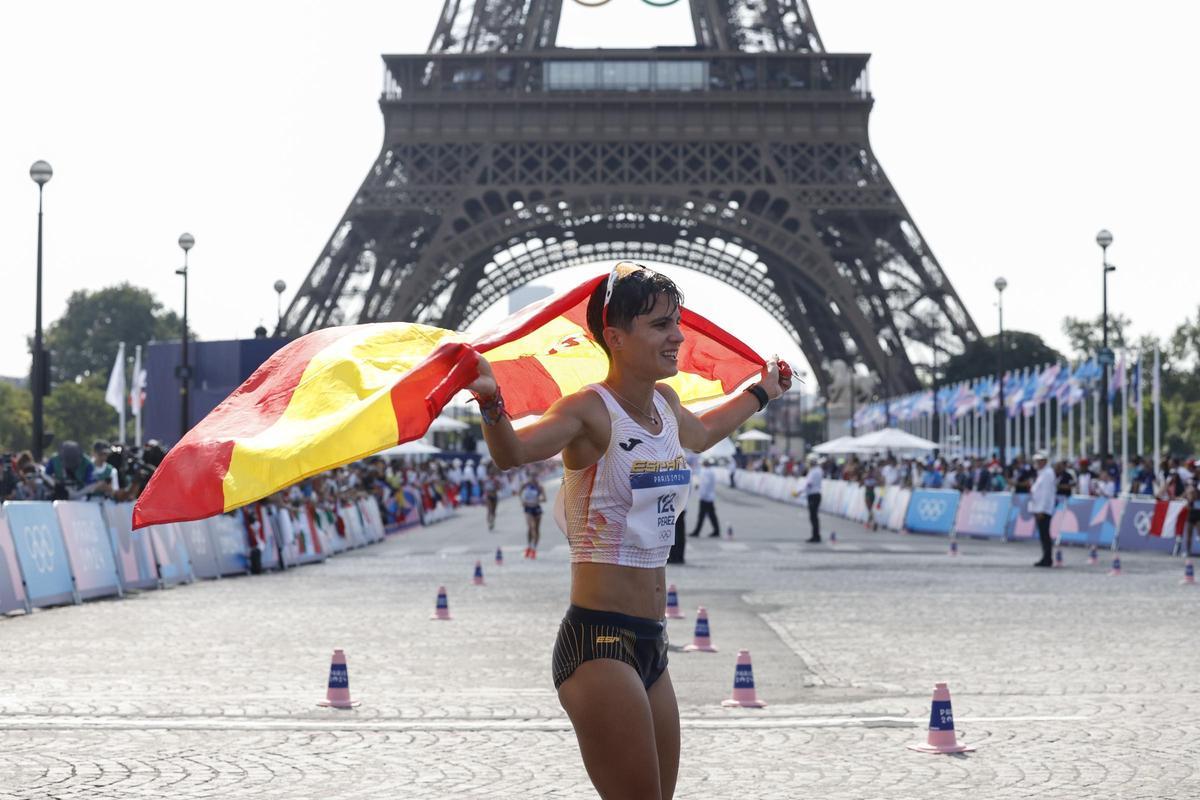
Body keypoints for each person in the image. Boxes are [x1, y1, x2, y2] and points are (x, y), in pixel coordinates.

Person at [466, 263, 789, 800]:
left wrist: (763, 393)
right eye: (662, 325)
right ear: (615, 337)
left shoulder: (665, 404)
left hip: (653, 641)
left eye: (677, 322)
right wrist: (491, 402)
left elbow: (705, 432)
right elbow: (514, 453)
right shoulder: (589, 410)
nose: (679, 337)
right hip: (599, 642)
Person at [1029, 452, 1057, 567]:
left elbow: (1046, 494)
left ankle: (1047, 558)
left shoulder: (1047, 474)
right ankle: (1045, 557)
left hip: (1044, 509)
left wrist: (1041, 510)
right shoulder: (1042, 473)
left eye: (1040, 461)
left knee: (1045, 534)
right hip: (1039, 508)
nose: (1037, 463)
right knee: (1043, 534)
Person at [688, 458, 720, 537]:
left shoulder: (705, 472)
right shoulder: (711, 471)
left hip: (705, 497)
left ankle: (697, 531)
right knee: (712, 515)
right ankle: (716, 530)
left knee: (701, 516)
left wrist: (701, 494)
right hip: (710, 496)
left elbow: (705, 485)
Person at [519, 471, 547, 558]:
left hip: (536, 508)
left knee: (537, 529)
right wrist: (522, 501)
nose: (533, 478)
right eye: (532, 477)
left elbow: (545, 499)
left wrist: (538, 500)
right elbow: (519, 493)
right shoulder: (525, 485)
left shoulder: (539, 487)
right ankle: (529, 546)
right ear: (529, 477)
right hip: (528, 509)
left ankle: (534, 548)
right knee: (531, 527)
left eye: (535, 477)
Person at [802, 455, 824, 542]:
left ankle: (816, 536)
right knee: (814, 516)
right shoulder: (818, 470)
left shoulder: (814, 471)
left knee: (813, 517)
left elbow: (809, 484)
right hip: (816, 494)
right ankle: (816, 535)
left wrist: (801, 492)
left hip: (813, 495)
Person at [482, 465, 501, 532]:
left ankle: (492, 521)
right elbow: (484, 488)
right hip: (488, 496)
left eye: (492, 474)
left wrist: (496, 486)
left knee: (493, 511)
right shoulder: (486, 480)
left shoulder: (496, 480)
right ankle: (489, 523)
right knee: (489, 510)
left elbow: (499, 488)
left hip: (494, 496)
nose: (491, 475)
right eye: (490, 474)